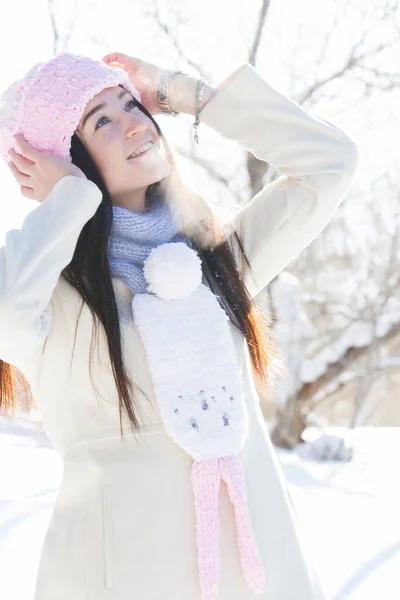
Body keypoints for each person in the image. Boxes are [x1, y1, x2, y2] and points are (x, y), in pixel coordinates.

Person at [0, 51, 358, 600]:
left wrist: (188, 96)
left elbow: (330, 163)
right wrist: (70, 198)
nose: (135, 123)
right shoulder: (55, 296)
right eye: (101, 120)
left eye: (131, 105)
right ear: (68, 159)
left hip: (261, 577)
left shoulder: (214, 261)